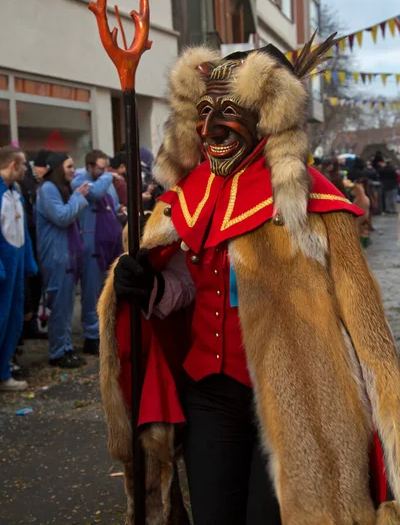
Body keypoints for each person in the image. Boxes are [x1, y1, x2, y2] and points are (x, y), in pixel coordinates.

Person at [98, 41, 400, 524]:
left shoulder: (312, 201)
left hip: (297, 396)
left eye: (230, 111)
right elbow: (186, 288)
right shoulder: (191, 196)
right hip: (209, 392)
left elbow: (366, 330)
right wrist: (145, 288)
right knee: (216, 514)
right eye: (205, 112)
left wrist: (388, 428)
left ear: (264, 114)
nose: (212, 127)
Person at [36, 152, 89, 368]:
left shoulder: (58, 188)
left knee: (66, 305)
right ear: (58, 168)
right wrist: (78, 196)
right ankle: (58, 352)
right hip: (57, 256)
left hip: (65, 254)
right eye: (69, 166)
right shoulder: (48, 189)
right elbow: (61, 217)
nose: (73, 170)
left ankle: (65, 347)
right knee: (59, 306)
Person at [71, 150, 123, 355]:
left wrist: (118, 210)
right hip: (92, 245)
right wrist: (108, 176)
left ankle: (108, 331)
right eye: (101, 167)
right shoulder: (80, 182)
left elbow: (112, 201)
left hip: (109, 244)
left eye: (106, 168)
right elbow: (95, 193)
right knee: (91, 291)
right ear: (90, 166)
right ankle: (92, 336)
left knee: (108, 289)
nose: (104, 171)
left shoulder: (103, 179)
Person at [0, 146, 37, 391]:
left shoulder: (16, 192)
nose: (26, 170)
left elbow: (21, 230)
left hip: (16, 266)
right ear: (13, 165)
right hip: (3, 267)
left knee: (13, 319)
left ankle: (3, 373)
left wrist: (28, 261)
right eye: (23, 165)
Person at [19, 148, 51, 340]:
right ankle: (25, 327)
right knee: (28, 286)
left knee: (35, 285)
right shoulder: (25, 181)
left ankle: (30, 326)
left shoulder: (32, 181)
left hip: (34, 240)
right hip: (28, 238)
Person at [352, 179, 371, 248]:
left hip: (360, 221)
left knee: (360, 230)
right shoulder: (366, 198)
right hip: (365, 220)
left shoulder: (359, 199)